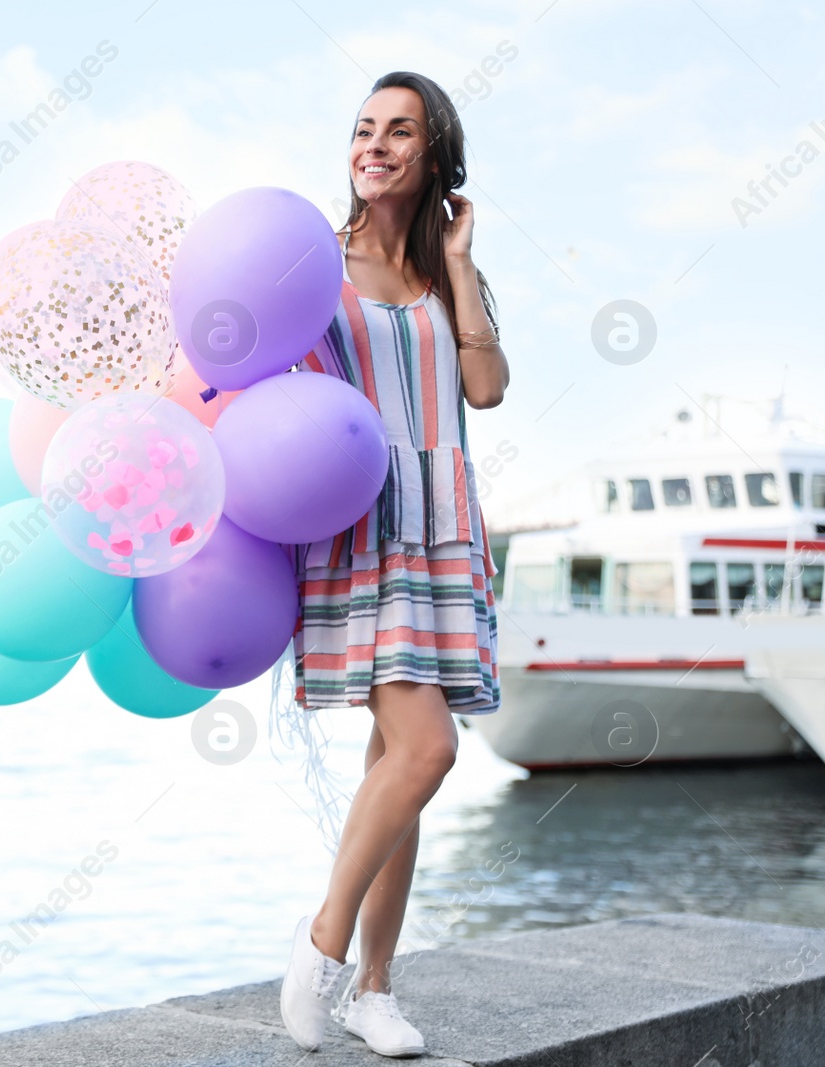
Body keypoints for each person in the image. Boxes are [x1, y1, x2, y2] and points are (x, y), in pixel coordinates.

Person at [275, 71, 509, 1058]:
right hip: (359, 521)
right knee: (426, 750)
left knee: (395, 766)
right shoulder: (309, 268)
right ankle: (322, 945)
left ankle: (374, 987)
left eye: (398, 130)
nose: (374, 143)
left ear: (432, 154)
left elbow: (486, 387)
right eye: (364, 128)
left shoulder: (444, 272)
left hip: (444, 519)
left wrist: (457, 263)